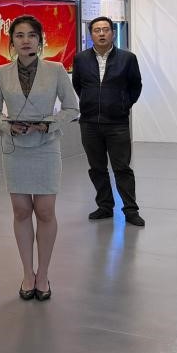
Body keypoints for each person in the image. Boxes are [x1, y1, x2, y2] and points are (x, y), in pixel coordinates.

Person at [0, 15, 79, 303]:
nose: (25, 40)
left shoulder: (56, 70)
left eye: (31, 35)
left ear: (40, 40)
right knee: (21, 211)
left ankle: (43, 274)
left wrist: (49, 124)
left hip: (46, 147)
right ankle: (28, 273)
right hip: (15, 149)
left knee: (46, 211)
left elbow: (72, 108)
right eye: (19, 35)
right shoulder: (1, 72)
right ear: (11, 41)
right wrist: (7, 126)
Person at [73, 17, 145, 227]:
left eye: (105, 29)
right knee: (97, 168)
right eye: (97, 30)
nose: (102, 33)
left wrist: (123, 105)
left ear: (113, 33)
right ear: (91, 34)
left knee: (122, 168)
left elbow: (136, 86)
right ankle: (105, 206)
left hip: (117, 123)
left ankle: (130, 210)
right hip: (89, 123)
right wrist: (89, 103)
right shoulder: (80, 59)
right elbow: (78, 85)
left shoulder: (127, 58)